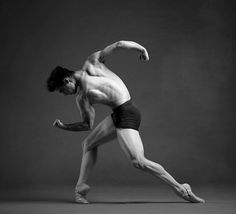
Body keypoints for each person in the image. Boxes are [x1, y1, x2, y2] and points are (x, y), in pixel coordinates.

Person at [47, 40, 205, 204]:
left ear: (67, 81)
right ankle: (80, 189)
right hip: (118, 114)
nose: (64, 94)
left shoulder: (90, 69)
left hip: (128, 113)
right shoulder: (84, 91)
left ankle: (182, 189)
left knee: (139, 162)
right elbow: (87, 125)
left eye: (61, 91)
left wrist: (141, 48)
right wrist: (141, 49)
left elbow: (118, 45)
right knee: (88, 144)